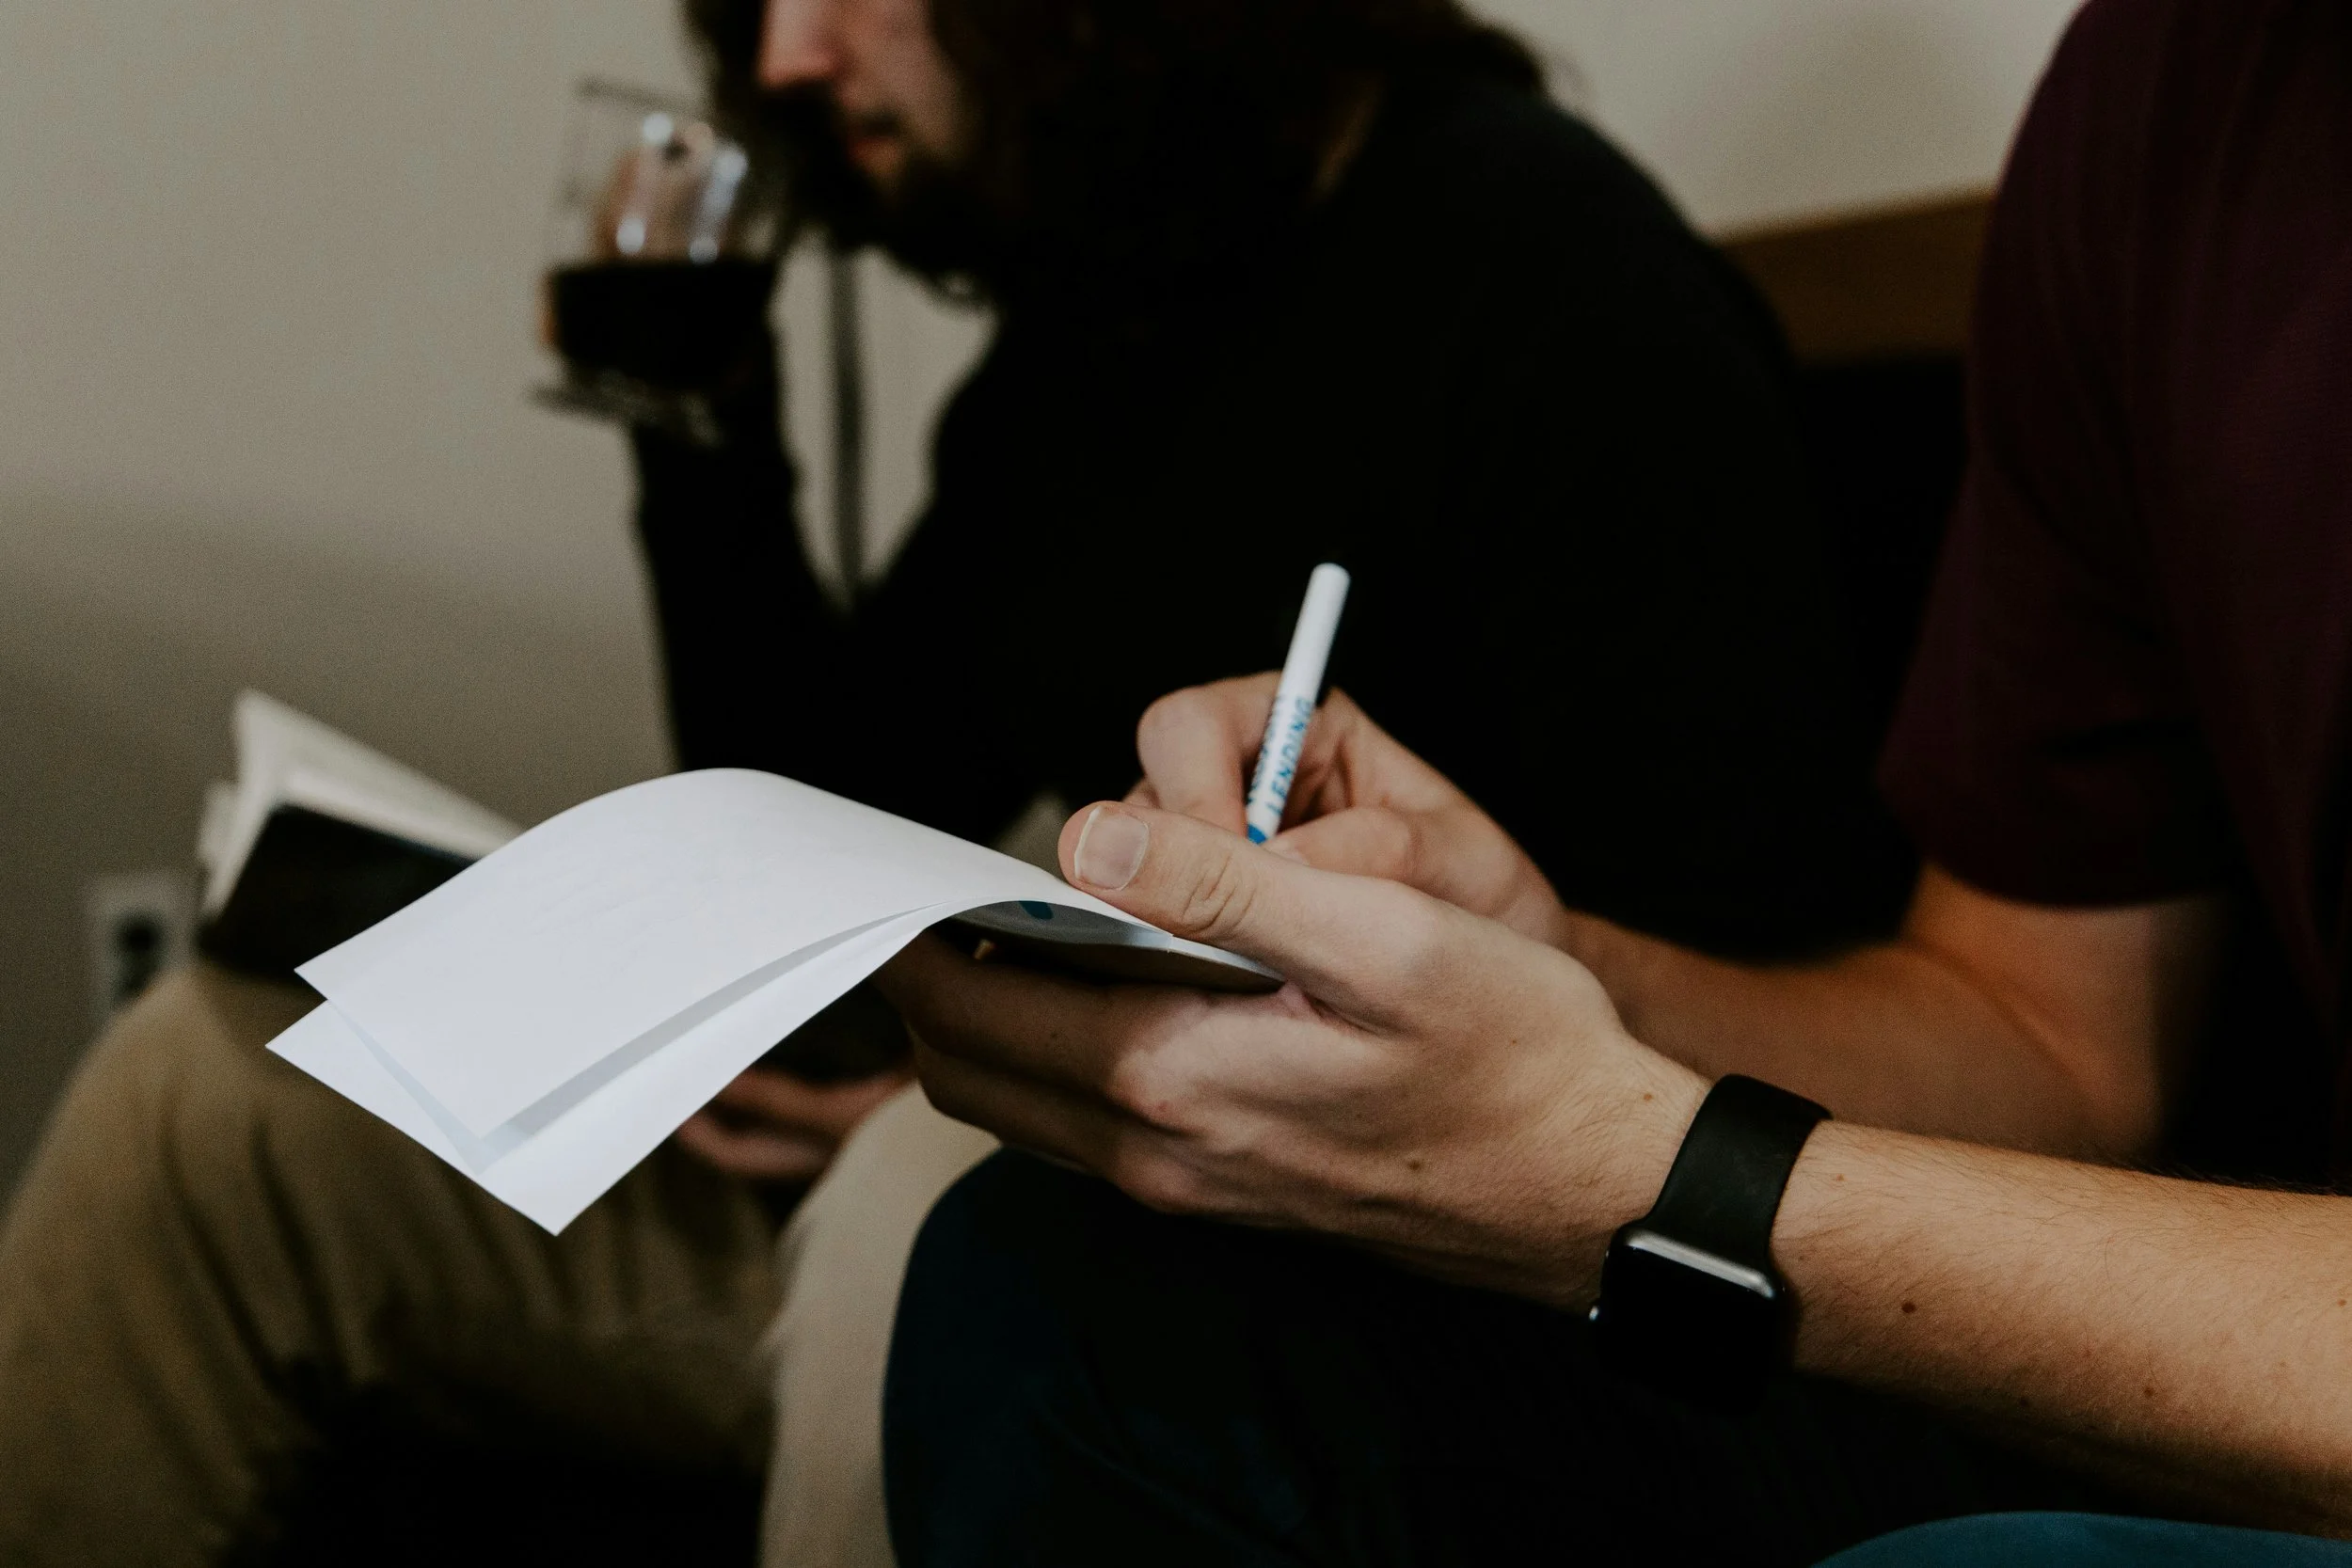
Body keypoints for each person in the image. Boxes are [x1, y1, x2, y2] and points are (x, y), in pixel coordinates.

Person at [0, 0, 1901, 1563]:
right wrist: (703, 428)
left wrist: (1055, 1092)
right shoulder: (1075, 352)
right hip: (1032, 1114)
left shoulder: (1544, 275)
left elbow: (1751, 963)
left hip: (1361, 1216)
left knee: (934, 1193)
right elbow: (839, 784)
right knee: (209, 1086)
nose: (791, 58)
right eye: (754, 15)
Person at [876, 1, 2352, 1562]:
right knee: (1075, 1308)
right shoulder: (2174, 90)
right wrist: (1549, 971)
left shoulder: (1527, 246)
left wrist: (1635, 1171)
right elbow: (2051, 1053)